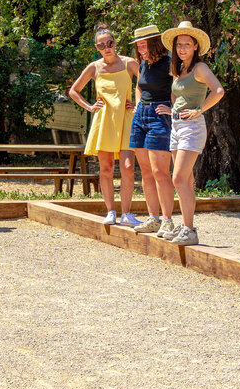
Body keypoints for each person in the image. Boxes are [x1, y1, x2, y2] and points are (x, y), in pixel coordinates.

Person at [157, 20, 224, 246]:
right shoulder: (179, 69)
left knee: (178, 178)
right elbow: (176, 96)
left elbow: (218, 91)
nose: (182, 48)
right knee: (186, 179)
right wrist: (172, 109)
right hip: (176, 126)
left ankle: (189, 229)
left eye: (187, 44)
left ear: (196, 46)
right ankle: (185, 225)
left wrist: (198, 110)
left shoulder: (200, 68)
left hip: (192, 128)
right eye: (178, 45)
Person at [68, 26, 140, 225]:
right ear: (97, 47)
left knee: (128, 168)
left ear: (115, 43)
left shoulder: (129, 63)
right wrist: (90, 107)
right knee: (106, 168)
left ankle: (126, 213)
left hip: (126, 119)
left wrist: (138, 105)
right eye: (102, 45)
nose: (107, 48)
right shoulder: (94, 67)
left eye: (110, 43)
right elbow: (74, 91)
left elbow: (146, 83)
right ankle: (111, 212)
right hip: (104, 121)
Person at [126, 25, 177, 235]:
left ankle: (167, 220)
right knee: (145, 172)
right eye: (138, 45)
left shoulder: (170, 62)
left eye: (144, 44)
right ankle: (153, 218)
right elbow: (139, 87)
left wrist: (172, 108)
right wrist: (137, 104)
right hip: (140, 117)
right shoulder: (144, 64)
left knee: (160, 172)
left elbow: (181, 87)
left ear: (155, 42)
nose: (141, 48)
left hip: (160, 117)